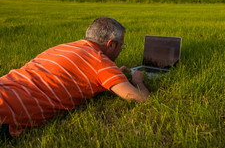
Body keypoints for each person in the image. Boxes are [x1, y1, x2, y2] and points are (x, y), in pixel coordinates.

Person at [0, 17, 150, 139]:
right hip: (7, 112)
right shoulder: (100, 61)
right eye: (121, 46)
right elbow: (142, 99)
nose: (120, 51)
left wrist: (114, 75)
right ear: (111, 44)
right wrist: (138, 82)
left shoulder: (63, 47)